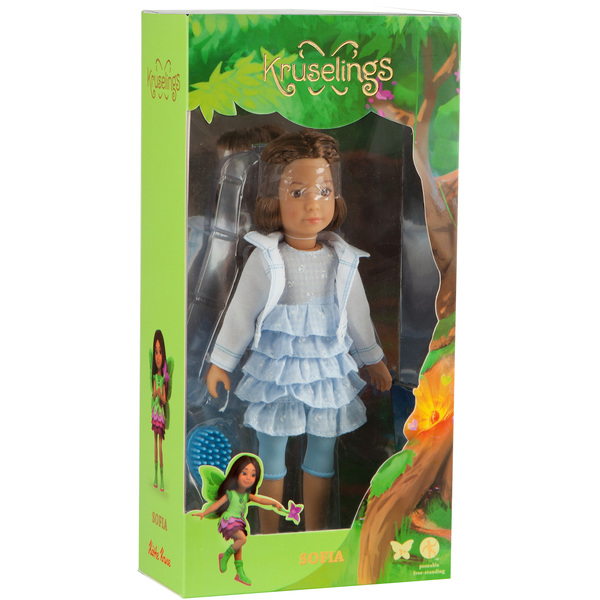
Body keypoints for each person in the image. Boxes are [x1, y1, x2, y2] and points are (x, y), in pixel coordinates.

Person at [206, 130, 392, 532]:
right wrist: (222, 362)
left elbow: (357, 315)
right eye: (297, 193)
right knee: (271, 453)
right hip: (278, 369)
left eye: (324, 191)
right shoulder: (266, 258)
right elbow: (241, 313)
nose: (313, 204)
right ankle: (269, 535)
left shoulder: (341, 259)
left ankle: (317, 532)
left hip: (327, 368)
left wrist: (372, 359)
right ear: (273, 198)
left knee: (322, 453)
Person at [194, 454, 291, 586]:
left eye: (253, 475)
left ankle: (240, 573)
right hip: (229, 520)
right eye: (244, 473)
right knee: (242, 539)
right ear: (236, 474)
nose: (248, 478)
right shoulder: (231, 493)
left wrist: (275, 503)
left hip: (238, 522)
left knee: (239, 546)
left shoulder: (246, 495)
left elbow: (261, 499)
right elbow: (217, 504)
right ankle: (225, 555)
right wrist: (204, 513)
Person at [151, 330, 169, 491]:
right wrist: (155, 393)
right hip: (155, 413)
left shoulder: (162, 379)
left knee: (160, 447)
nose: (158, 356)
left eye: (160, 352)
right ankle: (155, 476)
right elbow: (153, 396)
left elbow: (163, 399)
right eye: (156, 352)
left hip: (160, 414)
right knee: (155, 445)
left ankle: (162, 478)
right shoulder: (155, 378)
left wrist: (159, 393)